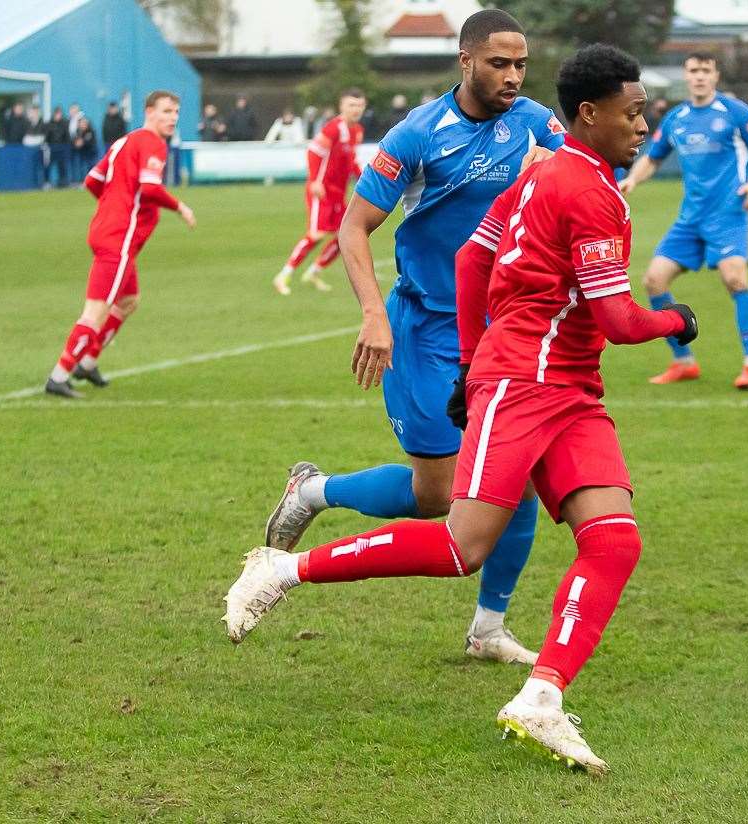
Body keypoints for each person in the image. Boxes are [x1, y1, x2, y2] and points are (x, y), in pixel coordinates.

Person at [224, 42, 697, 775]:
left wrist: (473, 357)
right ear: (589, 114)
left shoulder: (535, 170)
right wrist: (679, 321)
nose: (643, 125)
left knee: (613, 541)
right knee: (456, 539)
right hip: (520, 381)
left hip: (564, 389)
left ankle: (539, 697)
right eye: (633, 113)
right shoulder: (586, 190)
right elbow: (619, 319)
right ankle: (281, 571)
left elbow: (475, 257)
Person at [261, 9, 566, 666]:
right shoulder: (417, 134)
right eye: (498, 64)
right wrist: (373, 314)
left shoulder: (540, 124)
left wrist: (552, 177)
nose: (512, 77)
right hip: (426, 327)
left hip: (508, 331)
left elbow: (588, 186)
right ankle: (313, 491)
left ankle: (488, 627)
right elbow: (352, 227)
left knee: (518, 479)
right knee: (437, 496)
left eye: (520, 65)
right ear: (465, 61)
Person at [617, 52, 748, 388]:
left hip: (727, 214)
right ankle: (683, 361)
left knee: (735, 279)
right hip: (690, 219)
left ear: (715, 75)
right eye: (693, 70)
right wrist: (633, 179)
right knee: (653, 281)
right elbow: (654, 158)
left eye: (706, 70)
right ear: (686, 76)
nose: (699, 76)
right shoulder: (677, 119)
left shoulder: (735, 113)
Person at [44, 91, 196, 399]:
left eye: (176, 112)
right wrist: (180, 207)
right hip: (119, 238)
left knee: (128, 301)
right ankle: (59, 375)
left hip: (107, 230)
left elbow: (92, 181)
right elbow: (150, 188)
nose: (173, 118)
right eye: (166, 111)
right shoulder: (153, 143)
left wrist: (114, 204)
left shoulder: (124, 141)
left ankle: (87, 362)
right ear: (149, 112)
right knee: (95, 311)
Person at [272, 89, 366, 294]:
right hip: (321, 191)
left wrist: (365, 181)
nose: (356, 109)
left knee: (345, 236)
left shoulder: (357, 130)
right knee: (316, 234)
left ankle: (314, 271)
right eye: (351, 105)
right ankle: (283, 275)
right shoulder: (333, 129)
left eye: (359, 105)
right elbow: (314, 152)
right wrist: (315, 180)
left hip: (338, 194)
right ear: (341, 106)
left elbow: (352, 161)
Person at [45, 106, 71, 188]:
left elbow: (67, 136)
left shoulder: (64, 123)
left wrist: (66, 146)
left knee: (62, 166)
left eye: (60, 114)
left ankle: (63, 182)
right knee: (49, 166)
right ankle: (47, 182)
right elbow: (47, 136)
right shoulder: (49, 124)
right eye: (57, 114)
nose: (58, 116)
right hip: (52, 148)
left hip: (62, 148)